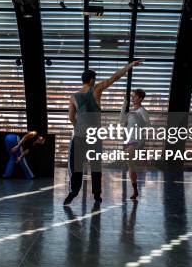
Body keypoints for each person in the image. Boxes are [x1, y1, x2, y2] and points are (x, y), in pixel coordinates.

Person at [64, 60, 143, 206]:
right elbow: (115, 77)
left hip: (80, 136)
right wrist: (130, 65)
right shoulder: (97, 89)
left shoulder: (73, 97)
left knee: (76, 166)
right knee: (95, 166)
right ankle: (97, 196)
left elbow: (71, 117)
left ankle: (73, 192)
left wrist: (79, 127)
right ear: (92, 80)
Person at [120, 89, 151, 200]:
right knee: (130, 166)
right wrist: (124, 103)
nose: (132, 98)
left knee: (127, 157)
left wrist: (140, 142)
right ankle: (136, 191)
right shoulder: (131, 112)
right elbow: (121, 120)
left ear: (141, 99)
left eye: (135, 96)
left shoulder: (143, 111)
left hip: (136, 142)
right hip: (128, 141)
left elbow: (148, 126)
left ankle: (143, 157)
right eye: (132, 96)